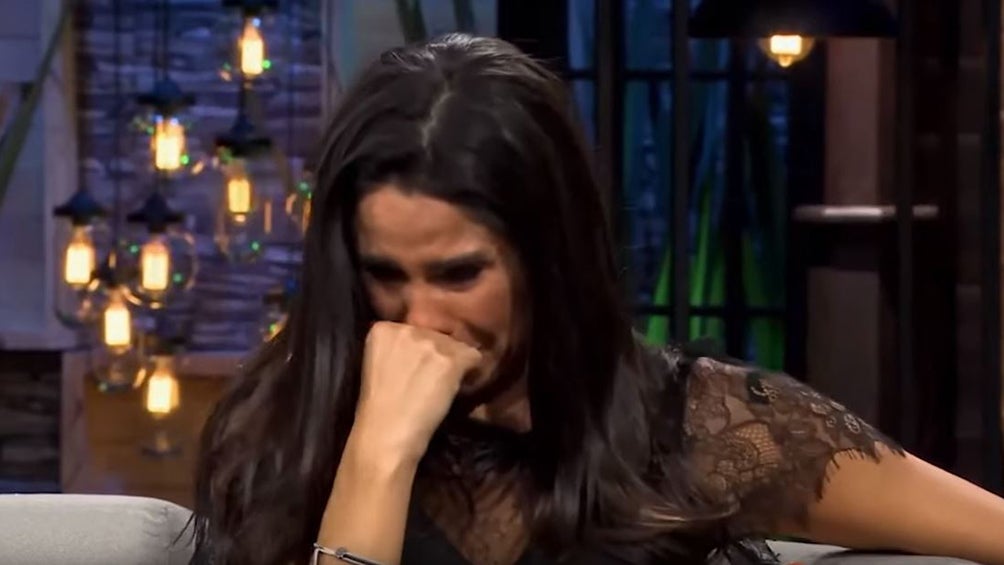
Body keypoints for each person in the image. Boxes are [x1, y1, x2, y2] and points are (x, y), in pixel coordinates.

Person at [189, 34, 1004, 565]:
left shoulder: (699, 424)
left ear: (549, 254)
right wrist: (378, 453)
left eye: (459, 274)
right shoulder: (282, 435)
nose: (419, 321)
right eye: (387, 275)